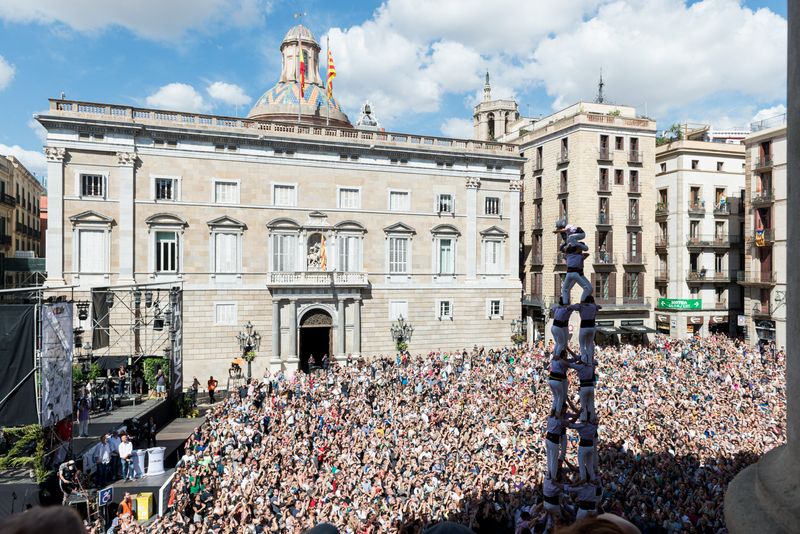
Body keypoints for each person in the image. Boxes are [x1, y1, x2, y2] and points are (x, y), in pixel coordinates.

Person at [570, 297, 602, 365]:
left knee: (582, 345)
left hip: (584, 327)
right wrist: (593, 304)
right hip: (592, 327)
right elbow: (600, 307)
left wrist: (578, 304)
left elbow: (572, 307)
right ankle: (590, 360)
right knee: (589, 344)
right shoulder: (594, 306)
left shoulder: (581, 306)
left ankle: (584, 358)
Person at [561, 241, 592, 305]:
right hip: (578, 274)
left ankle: (567, 303)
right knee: (588, 288)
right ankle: (572, 302)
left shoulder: (576, 255)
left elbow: (563, 252)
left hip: (578, 274)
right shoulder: (580, 256)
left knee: (590, 288)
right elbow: (587, 254)